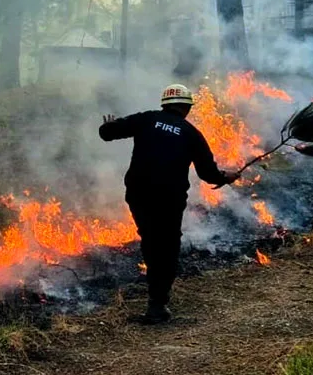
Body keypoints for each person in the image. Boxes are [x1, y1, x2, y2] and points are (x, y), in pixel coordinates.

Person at [99, 84, 238, 325]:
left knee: (151, 239)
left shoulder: (147, 119)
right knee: (167, 247)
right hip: (169, 199)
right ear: (186, 107)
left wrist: (108, 125)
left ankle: (155, 290)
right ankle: (158, 305)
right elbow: (208, 174)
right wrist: (227, 177)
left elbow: (108, 133)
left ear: (165, 104)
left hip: (138, 193)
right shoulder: (191, 133)